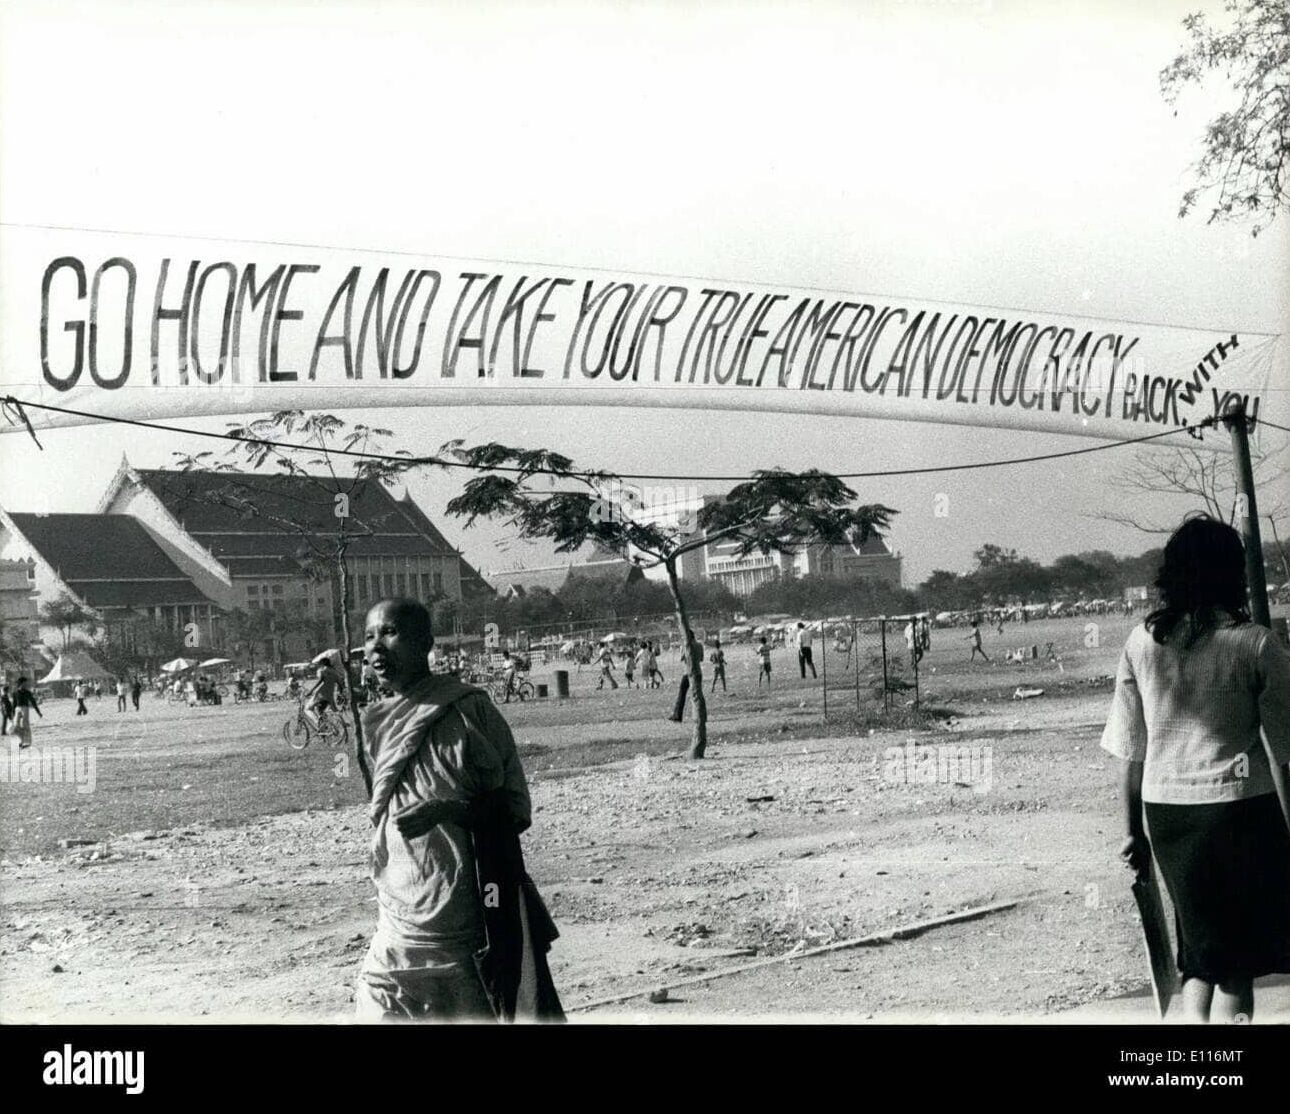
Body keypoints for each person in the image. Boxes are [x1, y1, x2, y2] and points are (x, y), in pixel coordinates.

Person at [1101, 515, 1290, 1024]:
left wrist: (1132, 833)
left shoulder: (1142, 642)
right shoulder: (1257, 644)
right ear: (1234, 573)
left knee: (1200, 947)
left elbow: (1131, 748)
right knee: (1236, 963)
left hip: (1168, 816)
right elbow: (1282, 752)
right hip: (1240, 810)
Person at [356, 598, 562, 1022]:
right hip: (397, 912)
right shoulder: (377, 720)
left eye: (390, 632)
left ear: (426, 643)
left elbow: (515, 808)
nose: (376, 647)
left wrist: (446, 809)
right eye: (369, 636)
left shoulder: (470, 709)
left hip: (460, 917)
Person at [669, 630, 701, 722]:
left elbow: (682, 658)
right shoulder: (699, 645)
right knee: (698, 695)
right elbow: (701, 658)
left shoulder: (686, 647)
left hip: (688, 673)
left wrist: (681, 649)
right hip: (698, 672)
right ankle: (700, 715)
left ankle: (677, 715)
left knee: (682, 694)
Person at [307, 655, 342, 728]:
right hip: (329, 696)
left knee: (308, 708)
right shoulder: (334, 672)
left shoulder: (323, 671)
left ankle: (319, 724)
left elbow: (320, 681)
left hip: (321, 695)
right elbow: (340, 684)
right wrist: (340, 694)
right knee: (321, 711)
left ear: (323, 663)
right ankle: (325, 726)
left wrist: (311, 690)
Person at [12, 677, 41, 748]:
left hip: (25, 708)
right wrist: (12, 714)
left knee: (25, 725)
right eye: (25, 682)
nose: (26, 684)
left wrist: (38, 712)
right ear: (21, 683)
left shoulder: (27, 692)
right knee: (16, 726)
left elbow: (33, 702)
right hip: (17, 709)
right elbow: (14, 704)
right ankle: (22, 740)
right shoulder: (15, 693)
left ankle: (26, 742)